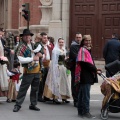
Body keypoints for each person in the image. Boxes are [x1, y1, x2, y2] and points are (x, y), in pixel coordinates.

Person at [13, 29, 42, 112]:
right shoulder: (21, 46)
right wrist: (32, 58)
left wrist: (40, 55)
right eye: (25, 36)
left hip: (37, 69)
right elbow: (20, 59)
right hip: (28, 71)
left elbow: (40, 53)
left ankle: (33, 104)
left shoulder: (33, 45)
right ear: (23, 37)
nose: (27, 37)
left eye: (29, 35)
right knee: (23, 89)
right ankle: (17, 105)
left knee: (35, 89)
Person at [75, 35, 100, 119]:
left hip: (86, 75)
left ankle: (81, 111)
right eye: (86, 40)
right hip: (85, 75)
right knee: (85, 95)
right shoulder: (83, 50)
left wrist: (95, 69)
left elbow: (89, 62)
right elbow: (86, 64)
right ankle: (86, 112)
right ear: (83, 41)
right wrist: (95, 69)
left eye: (89, 40)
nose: (88, 42)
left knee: (82, 94)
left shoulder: (86, 50)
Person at [43, 38, 71, 104]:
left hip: (63, 68)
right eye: (60, 42)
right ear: (58, 43)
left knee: (64, 82)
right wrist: (55, 69)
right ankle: (55, 97)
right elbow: (54, 61)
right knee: (57, 82)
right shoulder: (55, 50)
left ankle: (64, 97)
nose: (61, 43)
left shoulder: (64, 49)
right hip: (58, 67)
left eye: (62, 42)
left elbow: (64, 59)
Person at [37, 32, 53, 102]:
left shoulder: (50, 45)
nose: (46, 39)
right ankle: (39, 96)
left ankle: (46, 95)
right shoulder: (39, 46)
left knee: (47, 81)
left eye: (46, 38)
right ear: (41, 38)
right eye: (44, 38)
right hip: (42, 64)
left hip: (49, 64)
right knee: (41, 81)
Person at [69, 32, 82, 107]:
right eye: (77, 37)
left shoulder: (82, 46)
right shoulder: (73, 46)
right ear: (75, 38)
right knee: (74, 84)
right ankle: (75, 100)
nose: (78, 39)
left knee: (80, 84)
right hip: (74, 68)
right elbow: (75, 57)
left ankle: (79, 99)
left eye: (80, 37)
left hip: (81, 68)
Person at [0, 30, 9, 97]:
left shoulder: (2, 40)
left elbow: (3, 48)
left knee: (1, 78)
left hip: (1, 62)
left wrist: (2, 58)